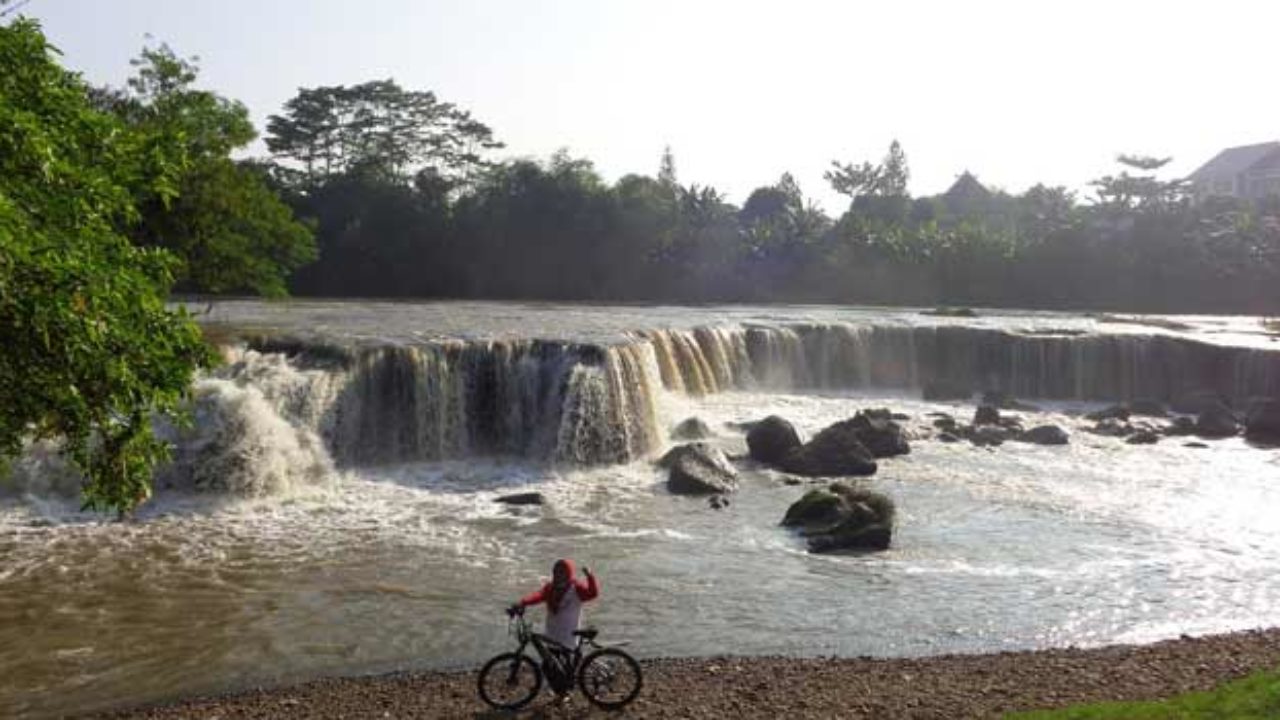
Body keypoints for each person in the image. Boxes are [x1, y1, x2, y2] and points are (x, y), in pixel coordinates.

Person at [508, 558, 599, 648]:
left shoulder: (576, 588)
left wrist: (590, 576)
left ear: (568, 574)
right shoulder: (550, 588)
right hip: (552, 635)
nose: (558, 575)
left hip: (569, 637)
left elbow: (592, 593)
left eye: (562, 572)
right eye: (556, 572)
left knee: (567, 660)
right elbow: (537, 596)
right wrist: (523, 602)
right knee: (550, 659)